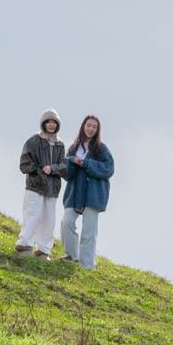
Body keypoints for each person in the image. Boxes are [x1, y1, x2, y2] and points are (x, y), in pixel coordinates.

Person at [60, 115, 114, 269]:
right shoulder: (74, 147)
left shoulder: (101, 149)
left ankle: (87, 266)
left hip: (93, 194)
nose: (90, 129)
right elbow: (66, 173)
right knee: (66, 222)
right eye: (88, 125)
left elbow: (109, 168)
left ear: (97, 130)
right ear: (83, 126)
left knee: (88, 233)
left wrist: (86, 163)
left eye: (94, 127)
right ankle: (72, 255)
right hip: (74, 192)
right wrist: (71, 161)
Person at [15, 109, 67, 260]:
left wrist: (52, 169)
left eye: (54, 122)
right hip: (35, 186)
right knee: (32, 215)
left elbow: (63, 166)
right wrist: (40, 173)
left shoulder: (60, 144)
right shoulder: (34, 141)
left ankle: (43, 251)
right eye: (48, 122)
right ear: (44, 123)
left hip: (52, 189)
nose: (51, 125)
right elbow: (25, 163)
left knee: (49, 219)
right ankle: (24, 245)